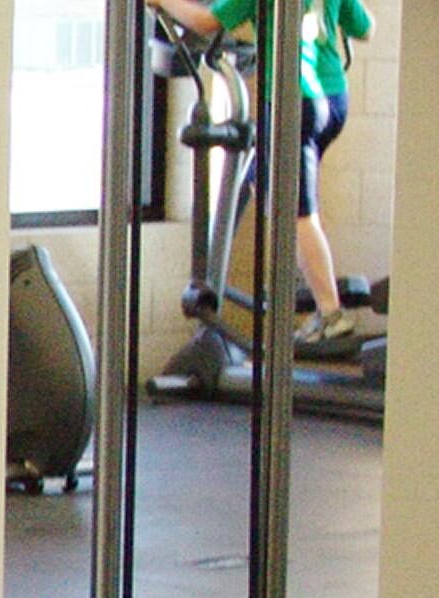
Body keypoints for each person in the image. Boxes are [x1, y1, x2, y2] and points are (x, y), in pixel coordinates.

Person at [147, 0, 375, 351]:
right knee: (264, 181)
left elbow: (206, 22)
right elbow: (366, 29)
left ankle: (331, 314)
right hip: (333, 98)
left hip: (294, 100)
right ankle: (309, 269)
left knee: (298, 213)